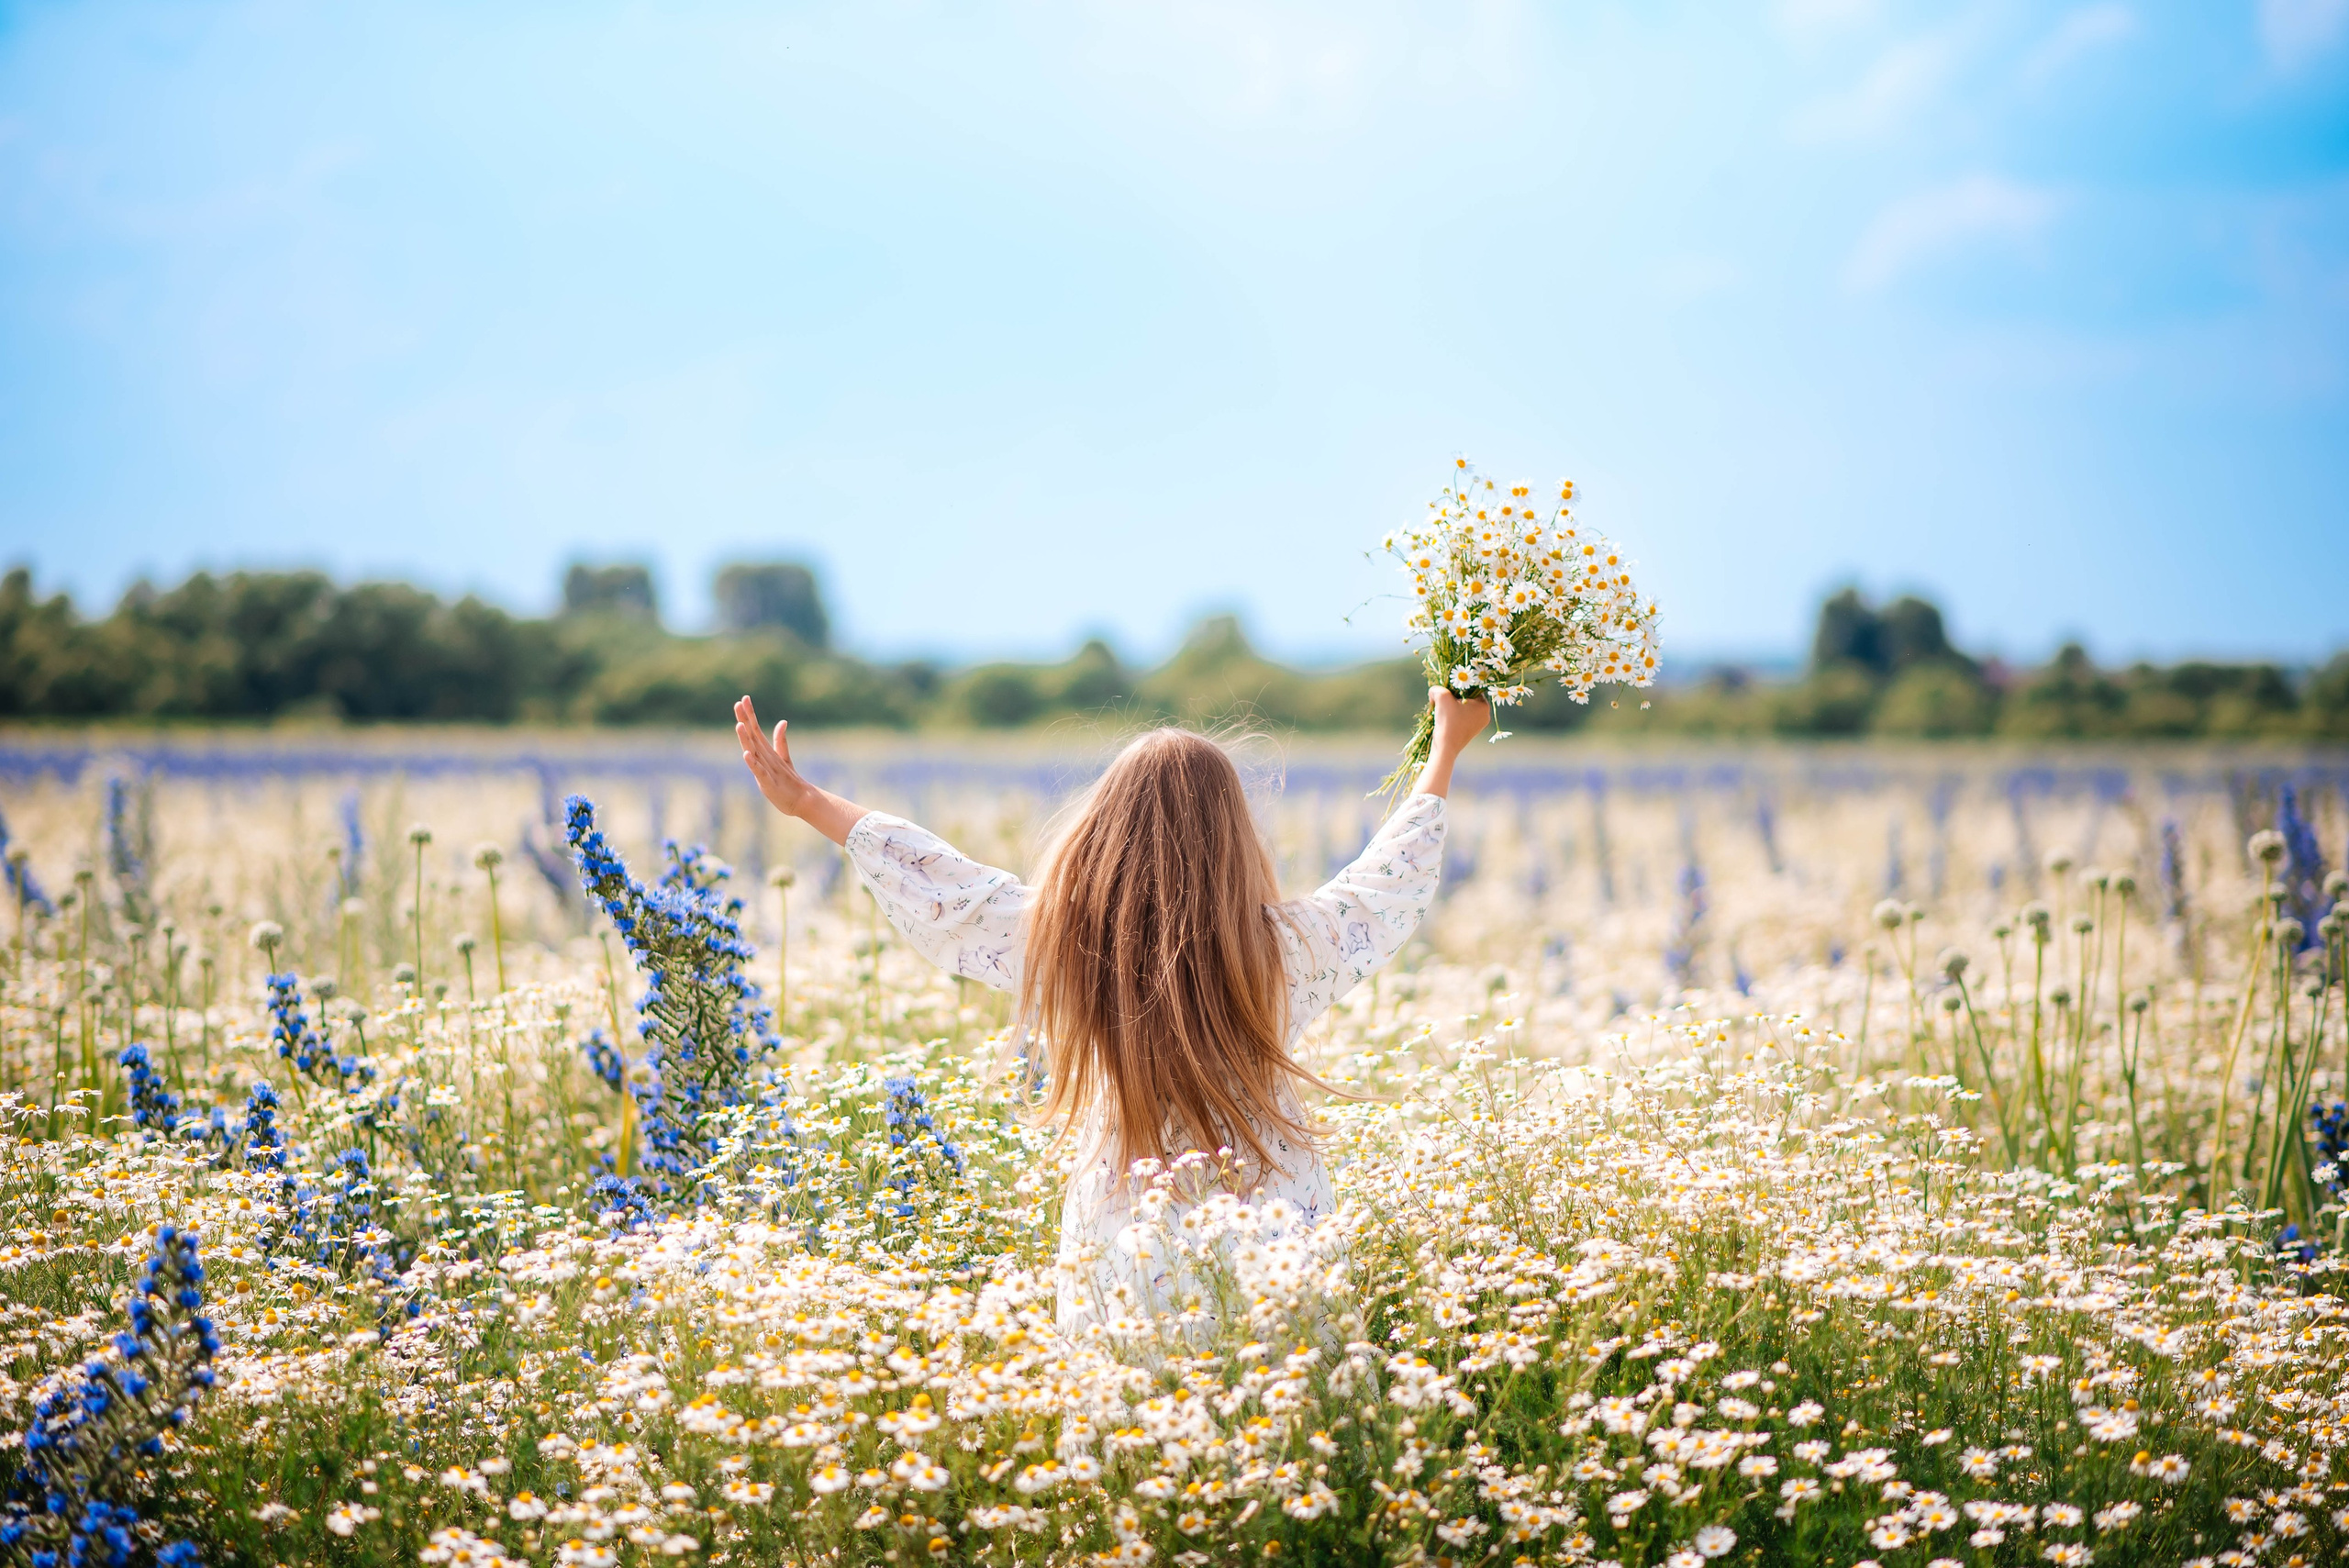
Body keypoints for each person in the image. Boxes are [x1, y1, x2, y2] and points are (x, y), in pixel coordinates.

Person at [731, 689, 1489, 1332]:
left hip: (1127, 1242)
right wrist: (1445, 749)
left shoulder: (1068, 945)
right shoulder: (1283, 951)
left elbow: (948, 889)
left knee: (1133, 1452)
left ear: (1108, 835)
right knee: (1283, 1447)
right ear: (1234, 841)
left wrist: (808, 803)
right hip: (1274, 1231)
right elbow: (1388, 882)